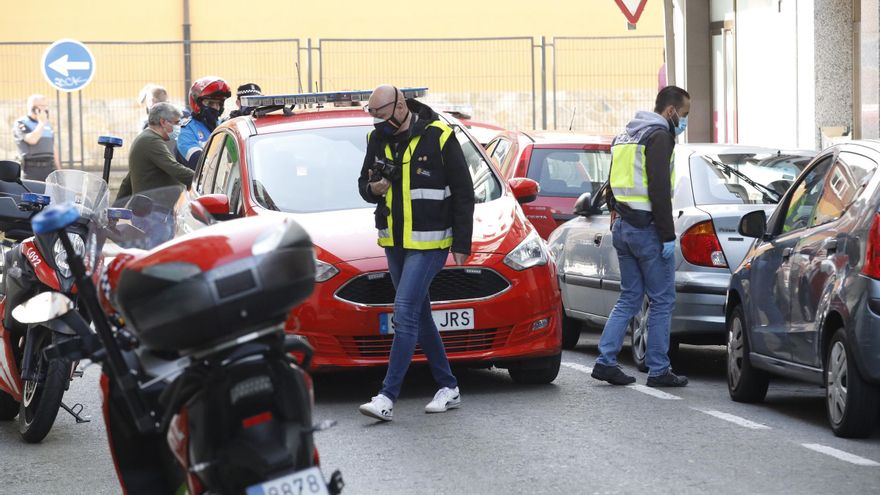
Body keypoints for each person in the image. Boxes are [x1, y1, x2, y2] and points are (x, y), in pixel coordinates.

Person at [357, 85, 475, 421]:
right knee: (420, 315)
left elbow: (464, 192)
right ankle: (448, 386)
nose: (378, 122)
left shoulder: (439, 135)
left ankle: (386, 395)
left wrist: (462, 245)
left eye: (381, 115)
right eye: (373, 116)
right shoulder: (376, 138)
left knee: (405, 310)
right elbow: (363, 186)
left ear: (399, 106)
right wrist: (373, 188)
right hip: (395, 240)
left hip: (430, 242)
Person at [591, 85, 691, 388]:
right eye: (684, 114)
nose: (684, 121)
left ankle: (606, 361)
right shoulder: (659, 137)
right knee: (662, 300)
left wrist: (615, 213)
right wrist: (667, 234)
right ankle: (659, 369)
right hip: (647, 228)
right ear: (671, 110)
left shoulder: (625, 136)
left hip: (623, 226)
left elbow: (611, 183)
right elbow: (659, 190)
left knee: (630, 297)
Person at [116, 102, 193, 200]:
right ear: (163, 122)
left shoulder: (146, 138)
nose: (179, 127)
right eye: (176, 123)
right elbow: (174, 168)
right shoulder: (151, 140)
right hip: (155, 210)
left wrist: (117, 206)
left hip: (152, 209)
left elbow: (128, 180)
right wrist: (200, 179)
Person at [177, 76, 231, 170]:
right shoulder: (187, 131)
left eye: (219, 104)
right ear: (197, 103)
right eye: (210, 103)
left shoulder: (223, 126)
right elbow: (199, 164)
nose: (215, 107)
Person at [13, 94, 61, 180]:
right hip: (31, 171)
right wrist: (41, 123)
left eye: (46, 106)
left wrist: (59, 169)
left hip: (49, 169)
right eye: (42, 106)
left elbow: (53, 147)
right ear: (33, 107)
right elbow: (32, 140)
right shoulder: (21, 123)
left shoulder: (48, 124)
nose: (45, 109)